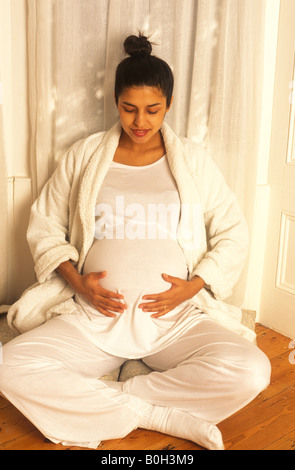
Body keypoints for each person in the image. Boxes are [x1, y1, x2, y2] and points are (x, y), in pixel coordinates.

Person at [0, 34, 271, 450]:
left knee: (252, 369)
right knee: (7, 365)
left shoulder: (193, 161)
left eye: (152, 109)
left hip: (172, 321)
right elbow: (44, 225)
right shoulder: (86, 154)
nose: (139, 121)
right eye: (129, 108)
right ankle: (157, 413)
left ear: (170, 105)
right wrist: (76, 281)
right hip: (94, 320)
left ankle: (123, 403)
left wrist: (195, 286)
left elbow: (233, 231)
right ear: (115, 100)